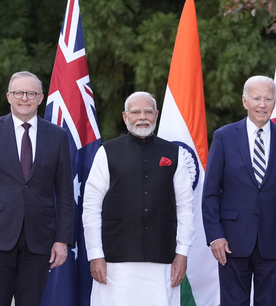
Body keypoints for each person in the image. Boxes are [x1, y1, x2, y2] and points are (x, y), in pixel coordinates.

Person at [0, 71, 74, 306]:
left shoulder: (57, 136)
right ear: (9, 96)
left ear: (40, 98)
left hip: (40, 238)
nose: (24, 98)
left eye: (31, 93)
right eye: (18, 92)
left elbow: (65, 193)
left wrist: (62, 240)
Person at [82, 91, 194, 306]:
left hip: (163, 258)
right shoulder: (107, 152)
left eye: (148, 112)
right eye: (135, 112)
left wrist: (182, 253)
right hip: (115, 261)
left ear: (156, 115)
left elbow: (185, 206)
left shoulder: (173, 153)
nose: (142, 117)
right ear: (125, 117)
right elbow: (91, 206)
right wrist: (95, 254)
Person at [202, 75, 276, 306]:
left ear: (275, 103)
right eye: (256, 98)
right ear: (244, 101)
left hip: (275, 244)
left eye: (268, 98)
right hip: (230, 243)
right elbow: (210, 194)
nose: (262, 104)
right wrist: (215, 236)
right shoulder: (224, 137)